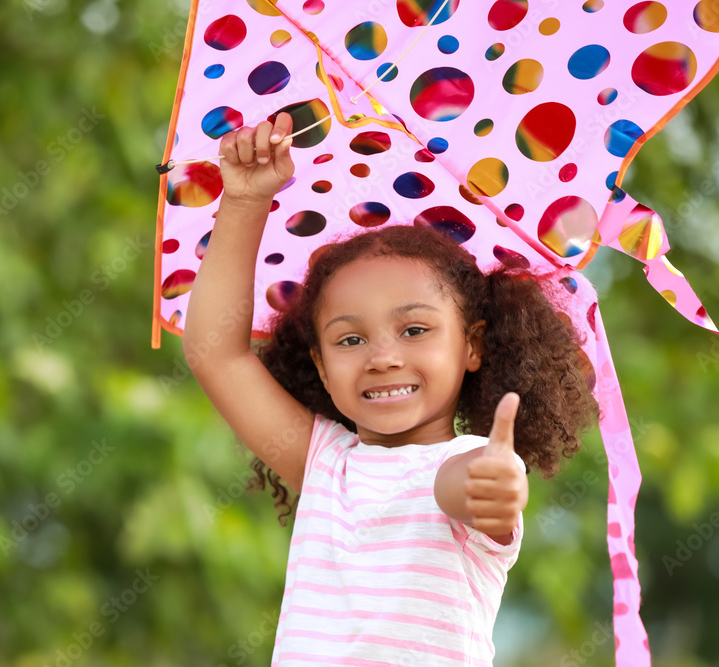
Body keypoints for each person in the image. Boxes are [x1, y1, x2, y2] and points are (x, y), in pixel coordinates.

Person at [182, 112, 598, 666]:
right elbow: (217, 353)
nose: (382, 358)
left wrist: (495, 483)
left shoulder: (470, 461)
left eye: (415, 330)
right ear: (322, 368)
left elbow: (464, 488)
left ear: (472, 346)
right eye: (350, 340)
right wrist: (243, 201)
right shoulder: (326, 464)